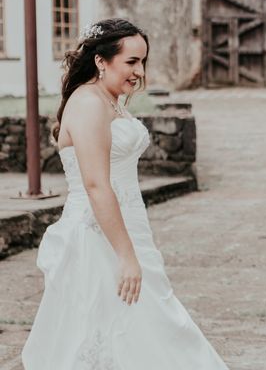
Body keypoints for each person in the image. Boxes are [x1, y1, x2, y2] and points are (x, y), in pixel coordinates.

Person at [22, 18, 228, 370]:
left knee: (144, 323)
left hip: (128, 226)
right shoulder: (88, 103)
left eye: (143, 61)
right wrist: (126, 255)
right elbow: (96, 185)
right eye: (131, 62)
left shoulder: (111, 101)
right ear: (102, 61)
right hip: (99, 235)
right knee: (123, 325)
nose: (139, 71)